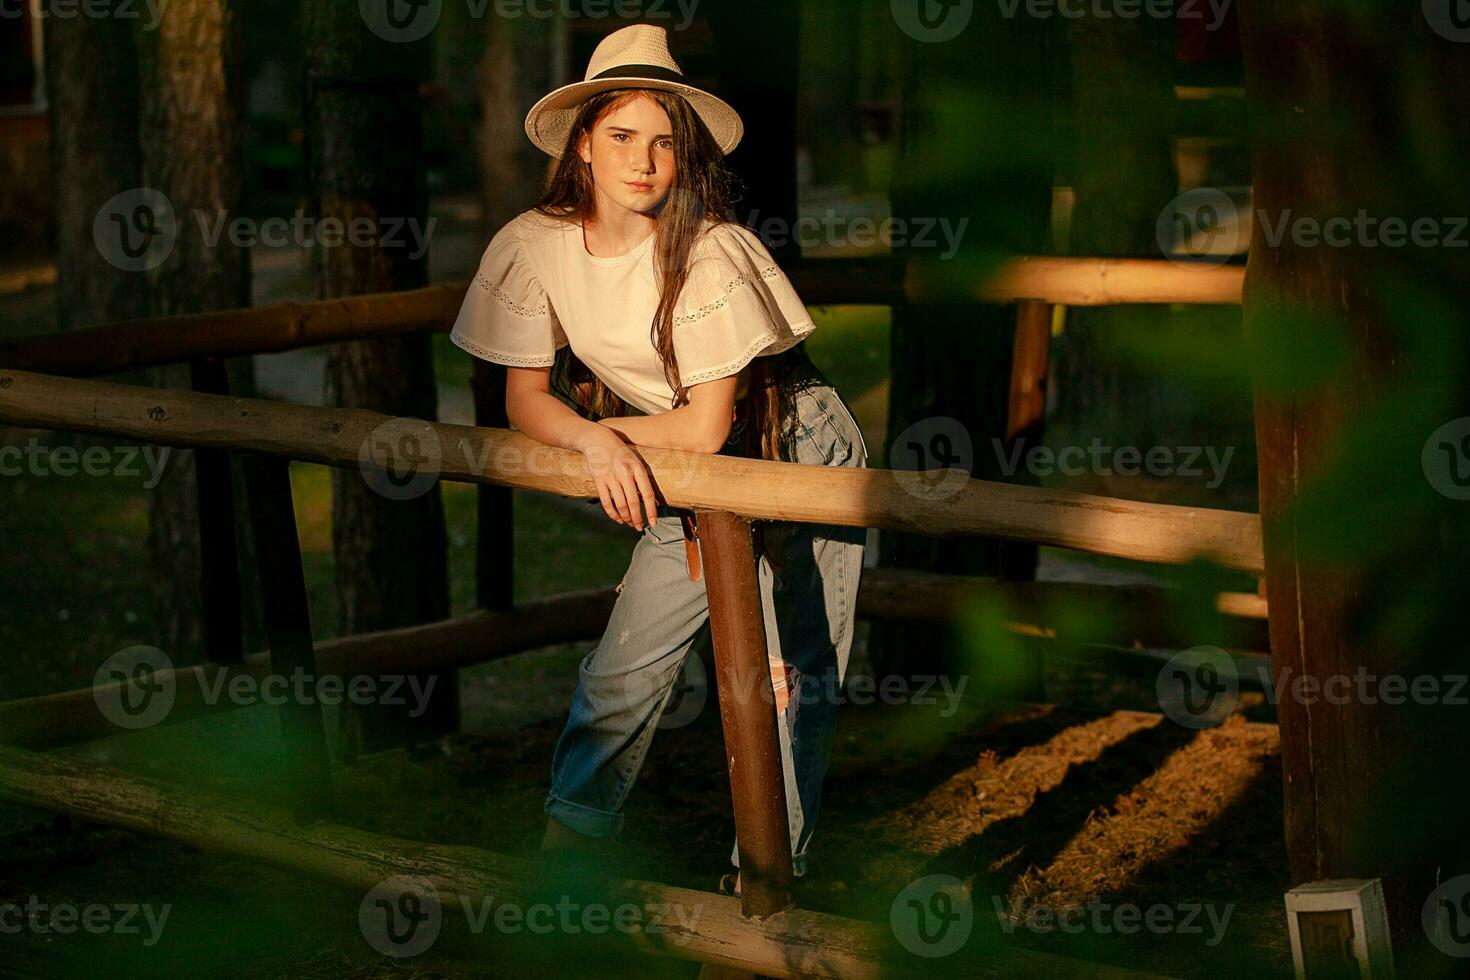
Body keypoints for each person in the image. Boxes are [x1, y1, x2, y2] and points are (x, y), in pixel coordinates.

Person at [449, 23, 868, 895]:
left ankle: (765, 894)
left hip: (791, 444)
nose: (643, 162)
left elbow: (712, 423)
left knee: (783, 683)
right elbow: (525, 398)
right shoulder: (534, 245)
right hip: (673, 456)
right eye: (622, 138)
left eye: (665, 142)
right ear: (583, 146)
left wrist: (609, 439)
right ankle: (562, 876)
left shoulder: (712, 250)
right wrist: (593, 438)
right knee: (622, 667)